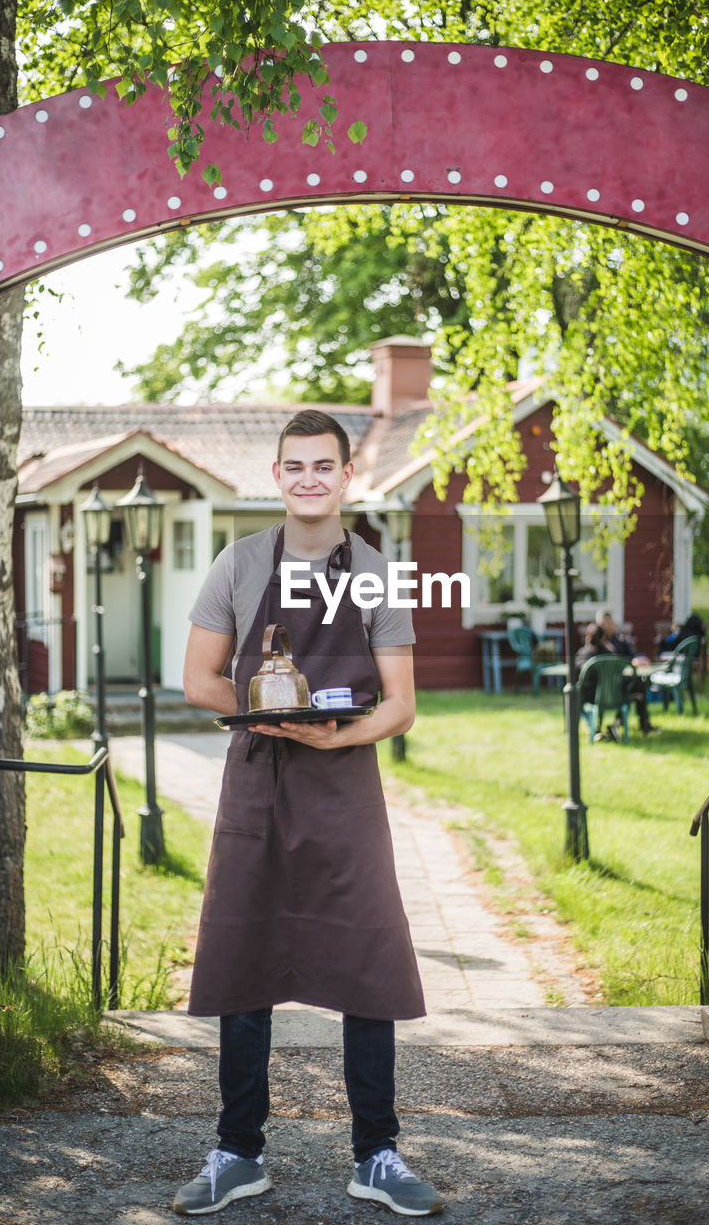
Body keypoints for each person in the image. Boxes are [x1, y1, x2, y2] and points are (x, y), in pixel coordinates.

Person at [174, 409, 443, 1217]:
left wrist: (332, 738)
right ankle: (237, 1151)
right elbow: (198, 680)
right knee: (241, 955)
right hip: (257, 779)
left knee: (367, 958)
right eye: (294, 466)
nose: (308, 480)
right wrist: (266, 711)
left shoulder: (377, 573)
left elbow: (401, 705)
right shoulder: (239, 564)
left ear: (345, 475)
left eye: (322, 466)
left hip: (343, 782)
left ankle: (377, 1155)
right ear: (277, 475)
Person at [576, 622, 659, 740]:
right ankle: (634, 723)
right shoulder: (609, 655)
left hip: (591, 696)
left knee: (577, 696)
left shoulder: (582, 655)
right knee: (639, 685)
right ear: (603, 638)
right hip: (616, 696)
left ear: (587, 637)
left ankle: (596, 729)